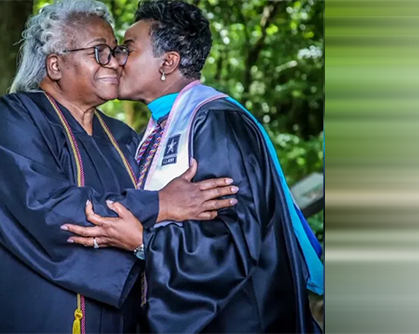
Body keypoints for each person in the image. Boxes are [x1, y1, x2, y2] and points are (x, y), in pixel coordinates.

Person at [0, 1, 239, 333]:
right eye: (99, 52)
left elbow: (148, 232)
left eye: (117, 51)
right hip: (27, 314)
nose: (116, 62)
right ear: (55, 65)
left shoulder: (124, 138)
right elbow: (48, 208)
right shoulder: (10, 119)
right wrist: (160, 204)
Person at [63, 1, 324, 333]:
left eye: (127, 50)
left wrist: (144, 241)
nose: (116, 60)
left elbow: (232, 242)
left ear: (168, 63)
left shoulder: (217, 123)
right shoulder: (158, 128)